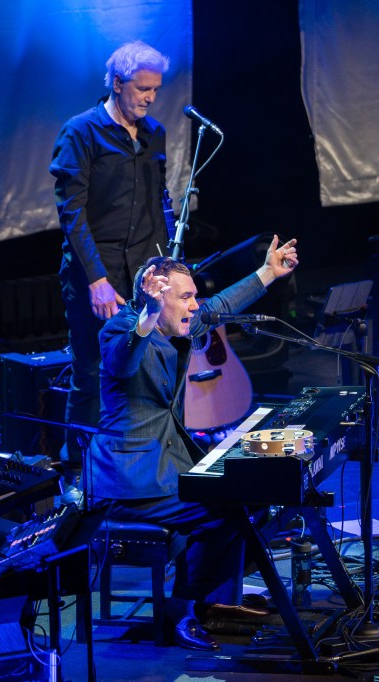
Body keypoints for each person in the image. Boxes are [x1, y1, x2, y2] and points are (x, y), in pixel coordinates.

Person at [87, 236, 299, 650]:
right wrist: (146, 317)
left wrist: (269, 272)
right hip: (128, 479)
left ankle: (215, 605)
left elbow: (219, 305)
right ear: (157, 299)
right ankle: (182, 611)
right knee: (224, 510)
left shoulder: (179, 322)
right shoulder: (120, 329)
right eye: (185, 297)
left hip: (168, 462)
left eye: (192, 297)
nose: (194, 305)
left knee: (254, 498)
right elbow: (123, 361)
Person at [50, 40, 172, 471]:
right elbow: (72, 213)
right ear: (118, 84)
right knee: (91, 372)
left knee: (141, 366)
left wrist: (167, 269)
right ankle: (78, 471)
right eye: (142, 89)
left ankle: (136, 461)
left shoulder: (154, 132)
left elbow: (159, 202)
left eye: (156, 89)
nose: (150, 97)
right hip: (94, 273)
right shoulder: (80, 132)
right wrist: (97, 280)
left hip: (143, 271)